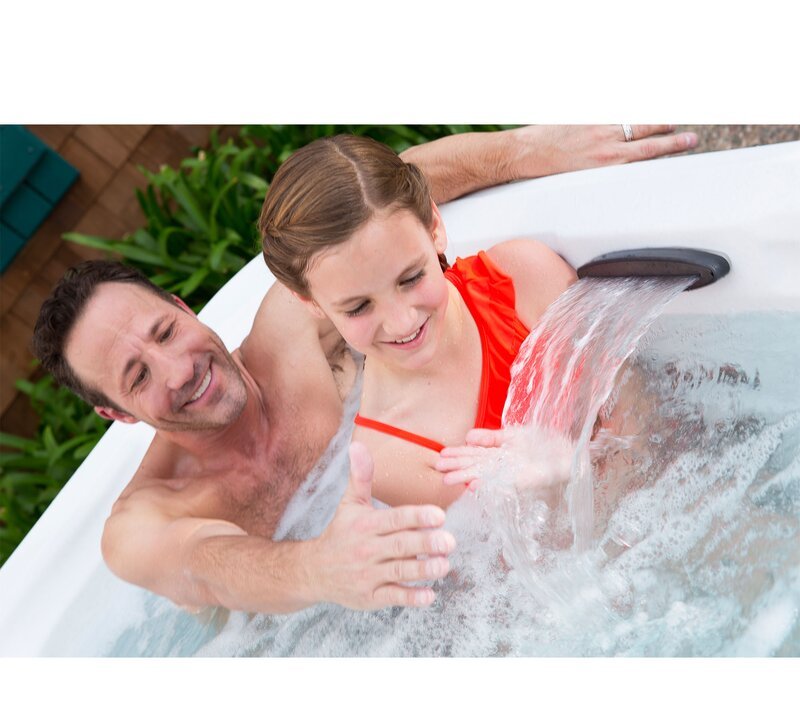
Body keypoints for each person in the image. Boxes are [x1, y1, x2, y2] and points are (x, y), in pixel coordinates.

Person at [31, 125, 697, 615]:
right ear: (114, 413)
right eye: (137, 377)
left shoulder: (292, 329)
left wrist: (527, 150)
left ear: (183, 307)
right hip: (314, 622)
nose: (178, 369)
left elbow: (362, 203)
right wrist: (319, 570)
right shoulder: (142, 524)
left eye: (166, 331)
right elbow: (206, 570)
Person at [259, 134, 580, 508]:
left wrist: (576, 457)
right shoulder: (389, 455)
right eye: (359, 307)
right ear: (311, 303)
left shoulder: (523, 279)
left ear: (434, 227)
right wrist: (570, 467)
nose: (402, 323)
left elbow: (630, 409)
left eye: (410, 279)